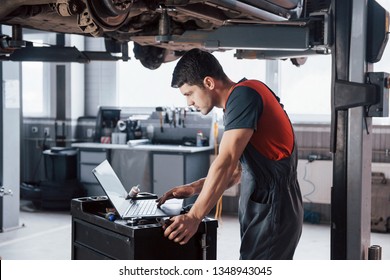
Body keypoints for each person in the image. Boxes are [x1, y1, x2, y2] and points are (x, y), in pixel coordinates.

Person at [156, 48, 303, 260]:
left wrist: (194, 216)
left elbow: (224, 163)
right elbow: (236, 172)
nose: (189, 103)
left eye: (189, 94)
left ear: (208, 83)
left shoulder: (243, 96)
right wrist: (195, 188)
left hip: (274, 210)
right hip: (266, 206)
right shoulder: (243, 96)